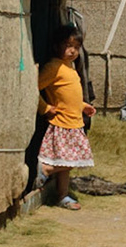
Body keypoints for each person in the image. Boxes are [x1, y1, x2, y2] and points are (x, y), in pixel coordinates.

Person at [37, 24, 95, 210]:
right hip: (61, 123)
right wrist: (44, 108)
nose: (72, 51)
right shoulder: (54, 67)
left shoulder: (70, 68)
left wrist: (84, 106)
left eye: (76, 47)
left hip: (74, 122)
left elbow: (70, 95)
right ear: (56, 46)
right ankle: (45, 169)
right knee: (72, 160)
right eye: (68, 46)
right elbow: (33, 87)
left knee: (66, 164)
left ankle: (62, 196)